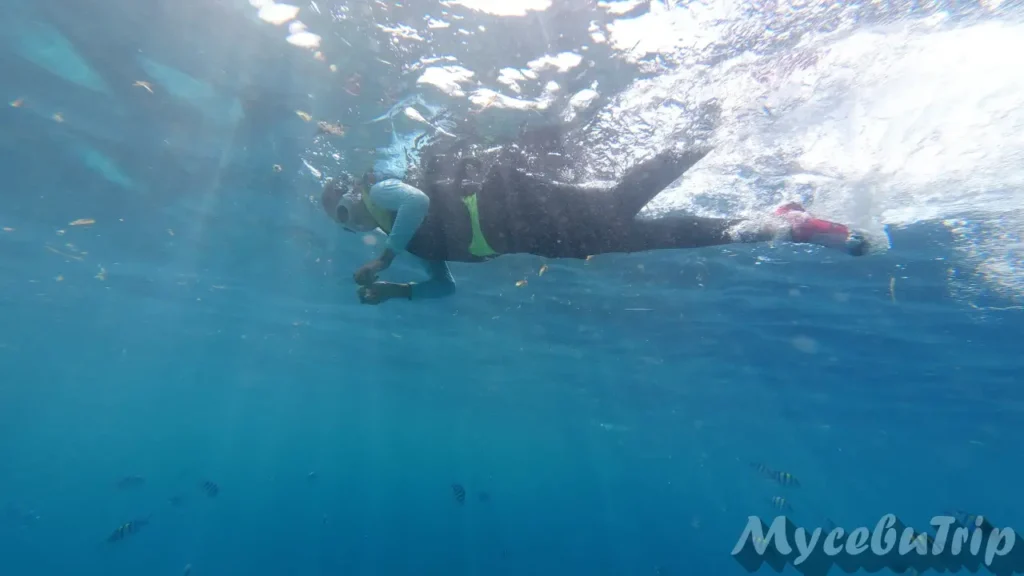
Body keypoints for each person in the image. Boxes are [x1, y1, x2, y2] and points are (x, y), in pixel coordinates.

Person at [320, 147, 869, 305]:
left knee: (618, 205)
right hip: (536, 239)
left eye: (345, 213)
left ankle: (712, 126)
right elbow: (444, 286)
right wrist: (396, 291)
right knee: (649, 238)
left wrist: (386, 258)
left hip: (513, 205)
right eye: (345, 225)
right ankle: (777, 224)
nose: (352, 223)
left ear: (353, 194)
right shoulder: (406, 242)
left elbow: (416, 199)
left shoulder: (385, 194)